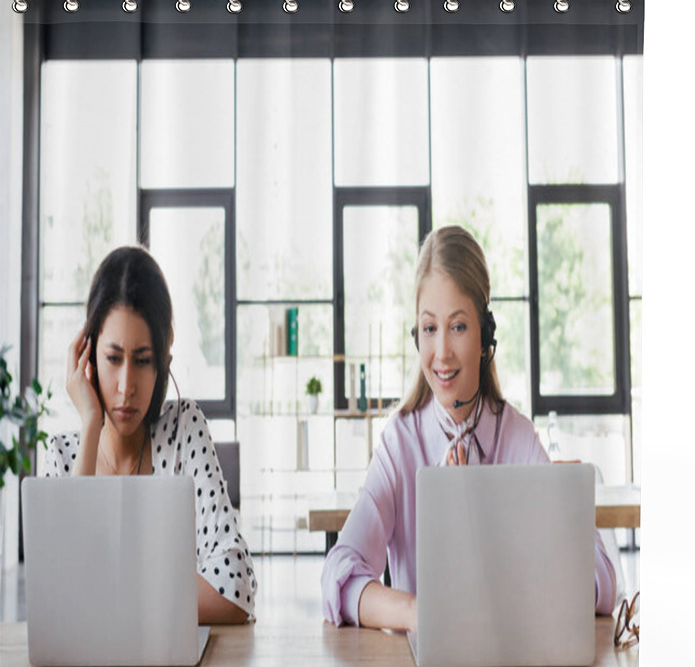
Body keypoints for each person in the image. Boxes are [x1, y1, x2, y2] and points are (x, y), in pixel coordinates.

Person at [321, 225, 616, 631]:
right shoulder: (400, 444)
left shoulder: (517, 438)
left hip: (509, 664)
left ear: (485, 336)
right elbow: (338, 577)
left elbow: (601, 584)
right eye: (429, 328)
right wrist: (418, 612)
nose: (441, 353)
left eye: (458, 327)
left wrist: (548, 515)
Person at [43, 245, 257, 624]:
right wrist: (91, 423)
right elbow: (60, 601)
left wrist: (109, 597)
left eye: (143, 360)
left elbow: (236, 589)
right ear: (88, 356)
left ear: (163, 356)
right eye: (113, 358)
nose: (127, 386)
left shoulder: (183, 430)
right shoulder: (62, 456)